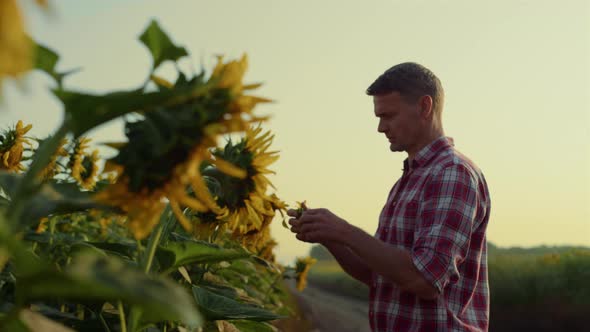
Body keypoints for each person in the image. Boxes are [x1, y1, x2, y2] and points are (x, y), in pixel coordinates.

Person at [288, 62, 491, 332]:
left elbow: (425, 280)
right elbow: (377, 274)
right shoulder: (408, 181)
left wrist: (346, 232)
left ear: (424, 107)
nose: (381, 128)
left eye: (389, 116)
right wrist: (328, 236)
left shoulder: (451, 174)